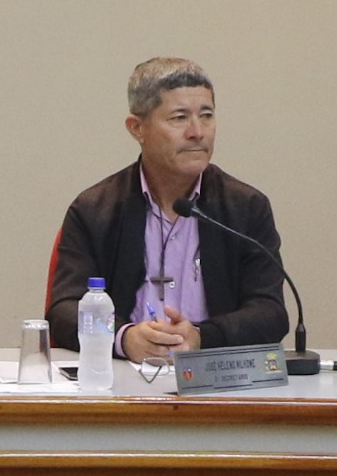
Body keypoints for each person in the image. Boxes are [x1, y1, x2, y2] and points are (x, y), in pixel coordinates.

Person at [44, 58, 288, 364]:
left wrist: (201, 337)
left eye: (207, 116)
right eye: (179, 118)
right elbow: (64, 309)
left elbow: (270, 312)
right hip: (121, 378)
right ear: (137, 128)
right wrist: (124, 338)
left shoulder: (246, 207)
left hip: (212, 379)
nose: (197, 132)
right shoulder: (94, 210)